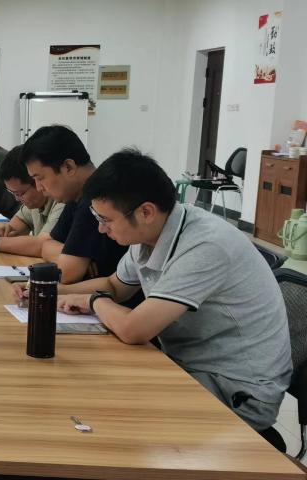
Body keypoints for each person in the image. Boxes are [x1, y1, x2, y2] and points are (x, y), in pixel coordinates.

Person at [51, 149, 292, 441]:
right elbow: (114, 286)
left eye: (106, 219)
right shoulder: (149, 234)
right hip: (189, 367)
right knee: (93, 387)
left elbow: (133, 329)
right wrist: (49, 290)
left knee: (108, 414)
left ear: (146, 212)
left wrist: (93, 301)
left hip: (236, 389)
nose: (101, 229)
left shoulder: (205, 246)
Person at [21, 125, 128, 284]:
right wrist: (68, 255)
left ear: (68, 167)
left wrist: (68, 259)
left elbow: (66, 273)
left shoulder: (95, 201)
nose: (38, 187)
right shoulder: (75, 196)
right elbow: (45, 245)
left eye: (40, 178)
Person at [0, 146, 64, 257]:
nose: (17, 199)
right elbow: (15, 226)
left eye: (20, 193)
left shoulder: (63, 201)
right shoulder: (35, 203)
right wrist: (4, 234)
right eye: (13, 193)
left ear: (36, 180)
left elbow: (42, 245)